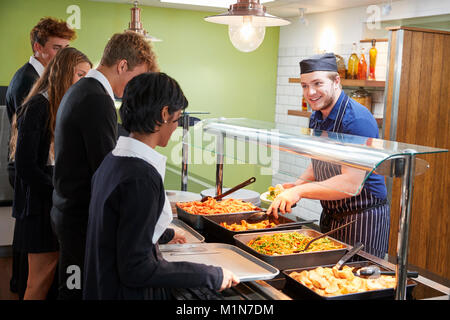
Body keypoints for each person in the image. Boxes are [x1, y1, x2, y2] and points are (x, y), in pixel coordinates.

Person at [83, 72, 239, 300]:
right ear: (164, 114)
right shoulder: (141, 177)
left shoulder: (113, 161)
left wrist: (164, 234)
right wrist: (210, 274)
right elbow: (136, 269)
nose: (176, 127)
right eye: (177, 119)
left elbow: (119, 230)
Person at [51, 31, 159, 300]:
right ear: (122, 65)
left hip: (68, 211)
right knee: (75, 292)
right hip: (78, 220)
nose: (135, 88)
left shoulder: (83, 89)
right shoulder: (97, 99)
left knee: (72, 288)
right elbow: (107, 170)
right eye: (136, 77)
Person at [267, 53, 390, 259]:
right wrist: (296, 186)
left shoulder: (357, 120)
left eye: (317, 83)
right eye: (304, 85)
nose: (310, 92)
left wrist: (300, 192)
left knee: (354, 282)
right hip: (332, 215)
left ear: (336, 81)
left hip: (363, 218)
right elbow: (318, 164)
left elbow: (351, 184)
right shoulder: (316, 115)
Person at [9, 47, 92, 300]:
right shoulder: (38, 106)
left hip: (52, 206)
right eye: (79, 75)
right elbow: (25, 166)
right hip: (38, 209)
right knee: (38, 282)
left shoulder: (61, 105)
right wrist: (59, 192)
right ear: (63, 73)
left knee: (52, 280)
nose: (83, 82)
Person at [5, 17, 76, 298]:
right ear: (38, 47)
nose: (63, 55)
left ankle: (21, 287)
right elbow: (28, 151)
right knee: (35, 248)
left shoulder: (39, 77)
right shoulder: (28, 83)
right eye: (58, 48)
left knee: (32, 249)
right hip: (27, 170)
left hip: (32, 169)